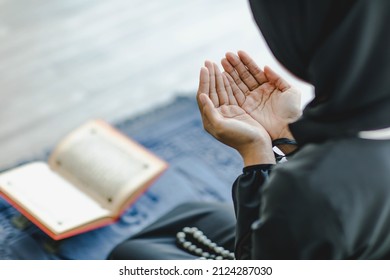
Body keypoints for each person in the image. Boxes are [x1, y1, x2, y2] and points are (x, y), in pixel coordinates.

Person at [109, 0, 390, 259]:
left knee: (130, 253)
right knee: (191, 217)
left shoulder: (314, 189)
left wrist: (256, 154)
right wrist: (286, 133)